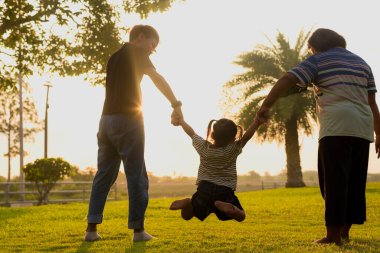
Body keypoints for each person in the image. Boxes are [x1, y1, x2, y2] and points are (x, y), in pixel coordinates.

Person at [255, 28, 380, 245]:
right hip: (362, 127)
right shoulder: (362, 63)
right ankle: (344, 232)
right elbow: (372, 102)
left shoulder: (318, 60)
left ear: (317, 46)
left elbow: (287, 78)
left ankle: (332, 236)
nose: (311, 52)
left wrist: (266, 104)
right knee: (353, 182)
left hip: (335, 126)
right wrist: (379, 133)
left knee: (333, 182)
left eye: (311, 48)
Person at [85, 25, 183, 242]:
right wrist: (175, 104)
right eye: (152, 45)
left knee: (104, 175)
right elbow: (156, 77)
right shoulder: (137, 52)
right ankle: (138, 231)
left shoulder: (114, 57)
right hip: (128, 120)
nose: (152, 51)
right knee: (136, 174)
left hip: (106, 121)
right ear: (141, 37)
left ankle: (91, 230)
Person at [169, 116, 262, 222]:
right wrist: (256, 123)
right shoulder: (232, 150)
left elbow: (191, 133)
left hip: (204, 189)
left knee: (187, 215)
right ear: (233, 138)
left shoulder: (204, 147)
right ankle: (231, 208)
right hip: (224, 191)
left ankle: (187, 204)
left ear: (212, 134)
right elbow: (245, 138)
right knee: (241, 216)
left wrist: (181, 122)